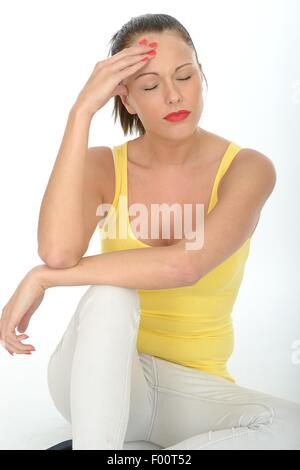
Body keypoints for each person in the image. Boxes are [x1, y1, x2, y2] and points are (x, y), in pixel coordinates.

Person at [1, 14, 299, 450]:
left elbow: (187, 265)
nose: (174, 95)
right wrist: (80, 112)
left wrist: (42, 277)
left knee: (291, 426)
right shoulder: (106, 166)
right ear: (125, 98)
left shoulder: (248, 169)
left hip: (191, 391)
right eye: (149, 86)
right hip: (95, 378)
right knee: (112, 293)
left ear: (201, 75)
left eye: (185, 75)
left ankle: (121, 451)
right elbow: (58, 250)